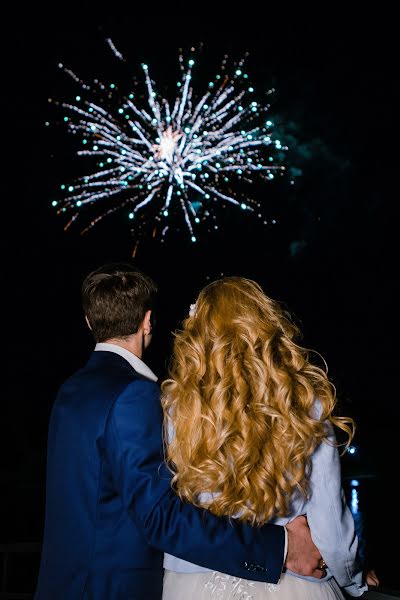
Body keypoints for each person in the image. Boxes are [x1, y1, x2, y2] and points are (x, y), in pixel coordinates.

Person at [34, 263, 325, 600]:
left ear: (89, 321)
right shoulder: (134, 394)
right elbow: (160, 517)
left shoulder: (71, 390)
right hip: (111, 589)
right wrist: (279, 549)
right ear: (147, 321)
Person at [161, 276, 378, 599]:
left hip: (195, 581)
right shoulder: (305, 401)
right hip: (293, 583)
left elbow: (174, 512)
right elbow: (330, 522)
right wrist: (353, 578)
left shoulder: (178, 408)